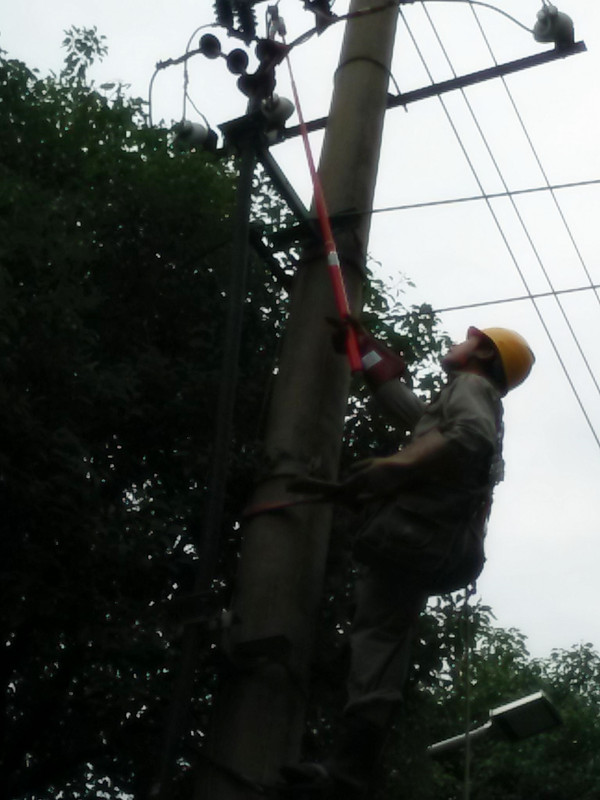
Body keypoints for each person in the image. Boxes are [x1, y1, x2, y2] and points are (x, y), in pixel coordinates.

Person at [283, 322, 535, 798]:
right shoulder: (471, 394)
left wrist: (394, 467)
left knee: (376, 640)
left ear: (482, 351)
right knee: (381, 639)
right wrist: (368, 356)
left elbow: (469, 437)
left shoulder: (471, 386)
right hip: (434, 546)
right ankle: (350, 766)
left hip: (415, 536)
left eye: (468, 338)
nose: (456, 342)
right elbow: (417, 414)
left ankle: (350, 768)